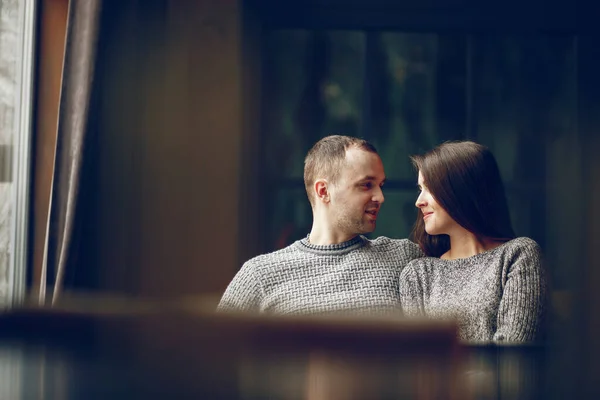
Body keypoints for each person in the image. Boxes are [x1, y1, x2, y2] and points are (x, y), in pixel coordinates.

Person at [217, 135, 423, 315]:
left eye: (381, 186)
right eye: (366, 185)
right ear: (323, 191)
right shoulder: (260, 275)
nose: (380, 197)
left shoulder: (403, 257)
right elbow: (214, 351)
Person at [399, 140, 547, 343]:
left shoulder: (518, 255)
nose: (419, 201)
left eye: (429, 188)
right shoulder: (419, 275)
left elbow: (512, 354)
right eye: (419, 189)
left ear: (460, 190)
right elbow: (420, 359)